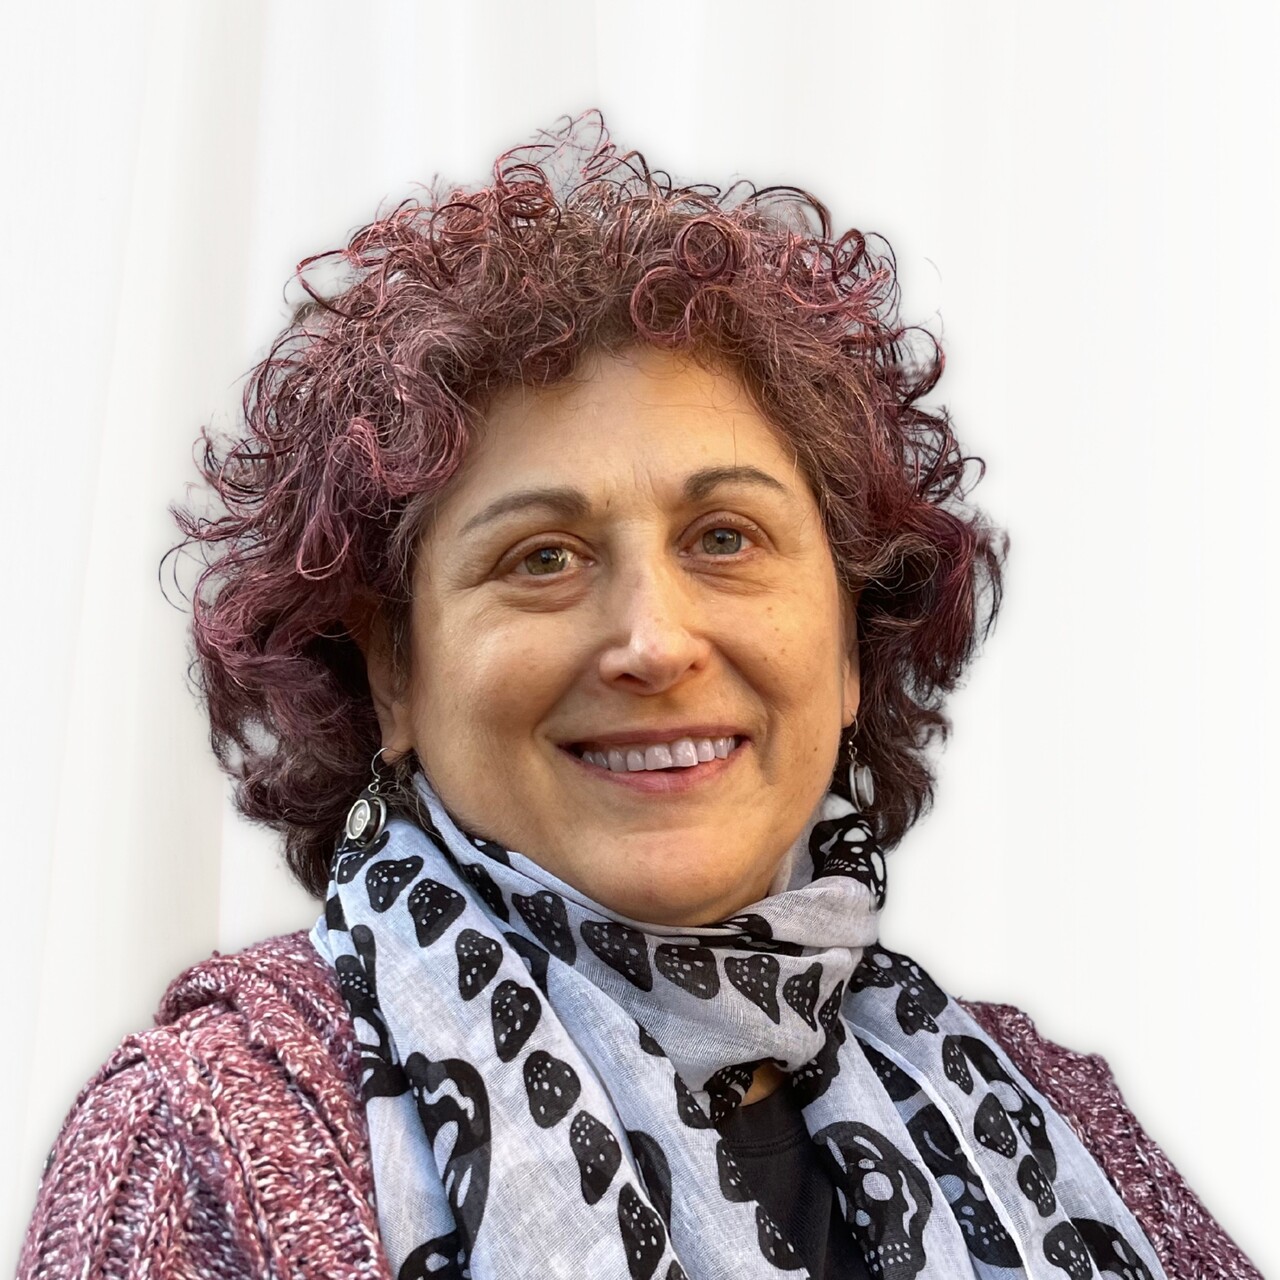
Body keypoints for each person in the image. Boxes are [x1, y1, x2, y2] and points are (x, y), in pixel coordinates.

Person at [18, 111, 1258, 1280]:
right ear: (392, 669)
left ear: (843, 648)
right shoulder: (211, 1133)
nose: (654, 641)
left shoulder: (1058, 1113)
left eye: (725, 538)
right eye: (540, 557)